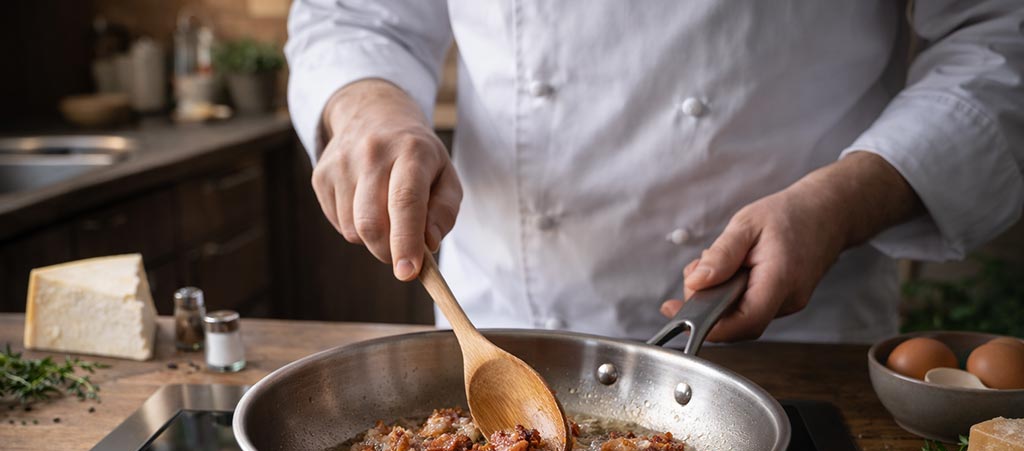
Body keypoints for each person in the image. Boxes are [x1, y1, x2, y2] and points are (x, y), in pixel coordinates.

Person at [286, 1, 1024, 344]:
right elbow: (353, 15)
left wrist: (840, 202)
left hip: (789, 343)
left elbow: (997, 38)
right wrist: (366, 107)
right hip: (502, 320)